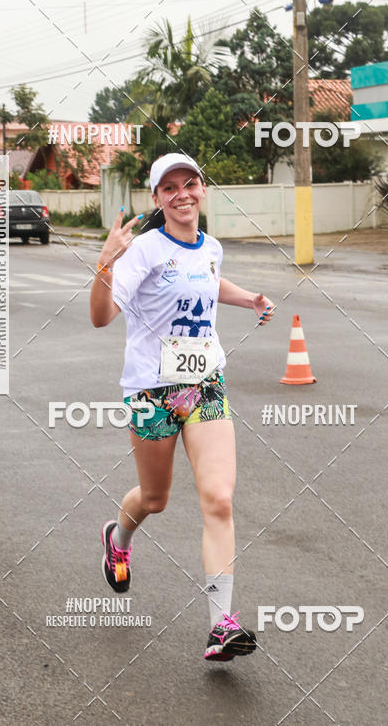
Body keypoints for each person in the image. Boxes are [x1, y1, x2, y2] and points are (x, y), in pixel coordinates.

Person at [90, 152, 275, 661]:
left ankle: (221, 625)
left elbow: (206, 280)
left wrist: (249, 298)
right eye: (169, 188)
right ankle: (118, 538)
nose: (181, 194)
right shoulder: (143, 251)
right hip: (150, 393)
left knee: (219, 499)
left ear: (202, 189)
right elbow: (101, 317)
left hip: (204, 385)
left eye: (189, 183)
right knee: (155, 499)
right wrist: (105, 263)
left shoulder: (211, 247)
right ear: (157, 198)